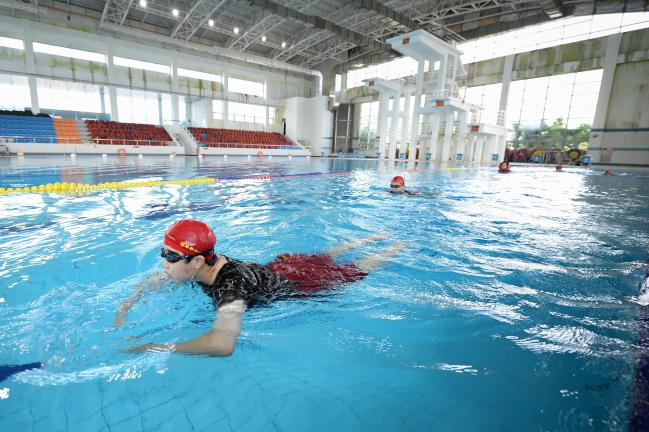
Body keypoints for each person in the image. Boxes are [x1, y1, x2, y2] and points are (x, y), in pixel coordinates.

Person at [117, 219, 404, 356]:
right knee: (324, 256)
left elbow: (222, 344)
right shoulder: (203, 262)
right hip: (278, 266)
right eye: (162, 251)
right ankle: (375, 235)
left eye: (171, 256)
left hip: (301, 283)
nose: (163, 261)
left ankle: (401, 245)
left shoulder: (230, 290)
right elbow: (153, 280)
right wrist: (125, 307)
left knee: (357, 268)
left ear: (196, 262)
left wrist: (155, 347)